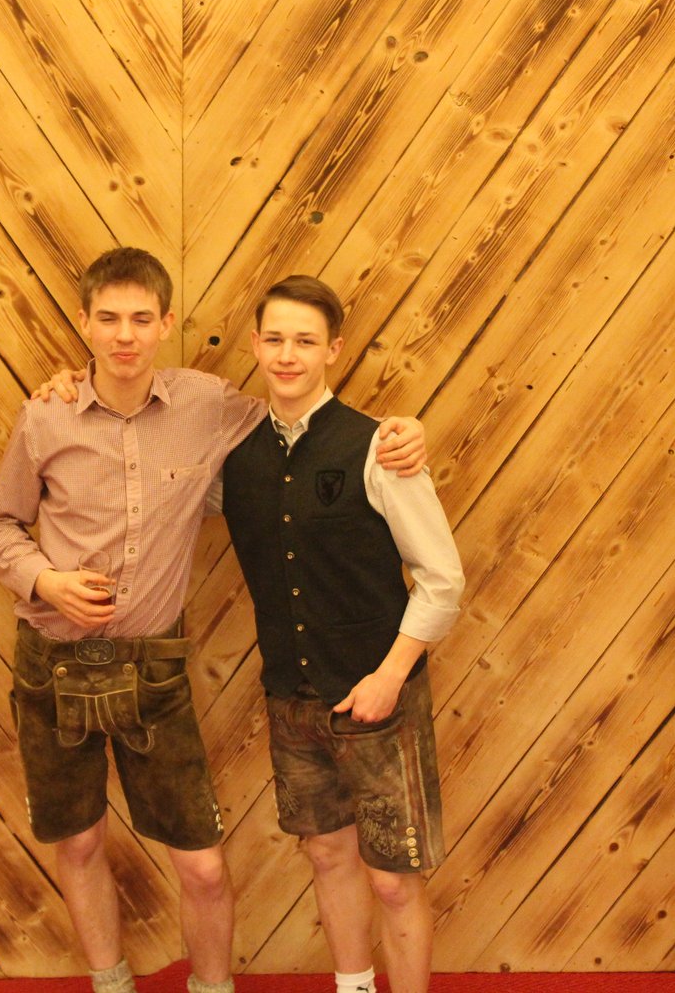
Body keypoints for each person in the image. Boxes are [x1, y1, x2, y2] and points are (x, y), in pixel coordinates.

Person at [0, 248, 426, 993]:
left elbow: (302, 425)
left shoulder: (208, 404)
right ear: (83, 323)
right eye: (108, 319)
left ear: (165, 323)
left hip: (154, 670)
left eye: (140, 319)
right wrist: (45, 580)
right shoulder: (44, 415)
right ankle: (111, 984)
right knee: (79, 845)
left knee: (206, 868)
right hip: (51, 664)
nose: (124, 336)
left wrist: (399, 432)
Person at [219, 276, 463, 993]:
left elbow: (442, 579)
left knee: (393, 878)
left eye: (305, 340)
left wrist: (390, 676)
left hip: (380, 698)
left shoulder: (377, 447)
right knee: (327, 856)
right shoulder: (235, 455)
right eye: (274, 339)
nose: (287, 355)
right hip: (291, 701)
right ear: (254, 344)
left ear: (334, 349)